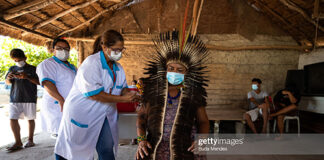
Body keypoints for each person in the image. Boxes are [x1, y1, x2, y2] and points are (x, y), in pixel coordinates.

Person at [54, 30, 139, 160]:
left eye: (121, 50)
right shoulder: (92, 63)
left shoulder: (118, 68)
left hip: (104, 114)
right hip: (82, 113)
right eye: (116, 49)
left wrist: (131, 94)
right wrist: (123, 99)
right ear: (104, 47)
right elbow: (95, 95)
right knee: (74, 150)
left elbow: (122, 88)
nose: (119, 53)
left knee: (106, 148)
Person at [136, 31, 210, 160]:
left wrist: (201, 140)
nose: (174, 72)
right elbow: (141, 118)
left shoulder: (193, 94)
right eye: (171, 68)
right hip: (154, 148)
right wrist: (141, 140)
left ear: (187, 73)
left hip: (184, 149)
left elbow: (203, 121)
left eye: (180, 70)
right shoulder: (153, 92)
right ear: (165, 69)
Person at [36, 38, 76, 138]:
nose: (63, 51)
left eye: (66, 49)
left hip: (70, 105)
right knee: (62, 138)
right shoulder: (48, 64)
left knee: (70, 137)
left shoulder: (72, 67)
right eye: (59, 48)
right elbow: (48, 83)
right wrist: (60, 100)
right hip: (58, 106)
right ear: (53, 50)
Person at [4, 49, 39, 152]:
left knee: (30, 119)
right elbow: (7, 83)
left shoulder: (32, 69)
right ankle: (18, 142)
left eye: (19, 60)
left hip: (29, 97)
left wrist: (27, 77)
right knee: (12, 118)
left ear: (25, 58)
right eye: (15, 60)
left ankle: (30, 140)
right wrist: (9, 78)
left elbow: (39, 82)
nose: (17, 62)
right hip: (15, 98)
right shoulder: (12, 68)